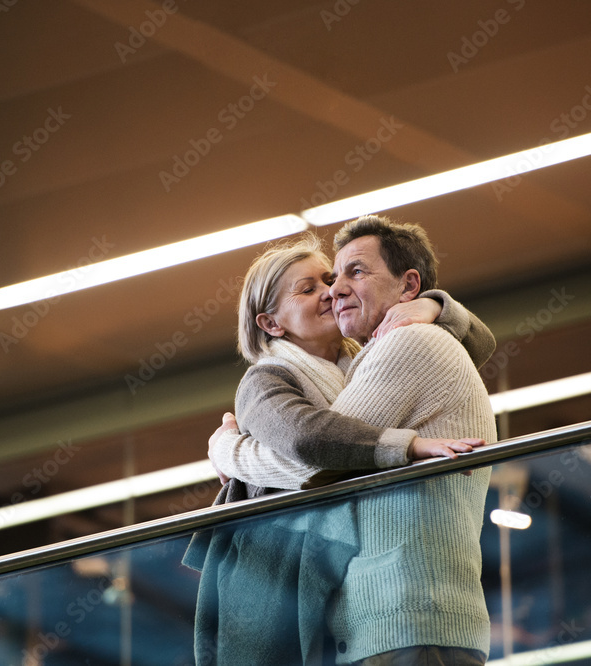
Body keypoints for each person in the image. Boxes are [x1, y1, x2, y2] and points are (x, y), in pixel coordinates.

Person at [210, 216, 496, 665]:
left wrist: (230, 451)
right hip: (386, 621)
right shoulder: (269, 378)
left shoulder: (403, 346)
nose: (333, 290)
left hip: (407, 621)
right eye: (312, 288)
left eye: (349, 274)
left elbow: (321, 460)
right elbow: (319, 442)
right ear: (271, 323)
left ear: (408, 286)